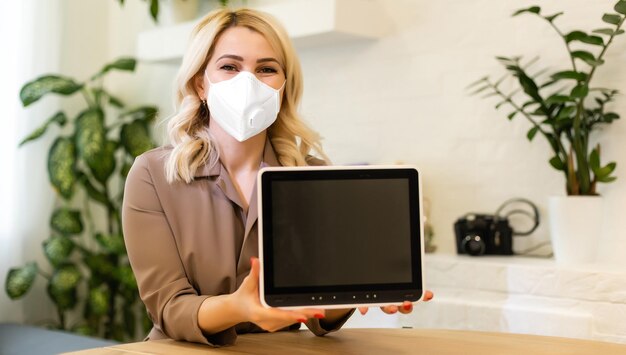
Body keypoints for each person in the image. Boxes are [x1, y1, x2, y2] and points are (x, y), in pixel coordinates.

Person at [122, 7, 433, 347]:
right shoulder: (153, 175)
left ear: (283, 86)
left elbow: (317, 310)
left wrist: (356, 291)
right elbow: (168, 306)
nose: (249, 81)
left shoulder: (314, 177)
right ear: (200, 84)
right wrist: (239, 308)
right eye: (229, 66)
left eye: (266, 69)